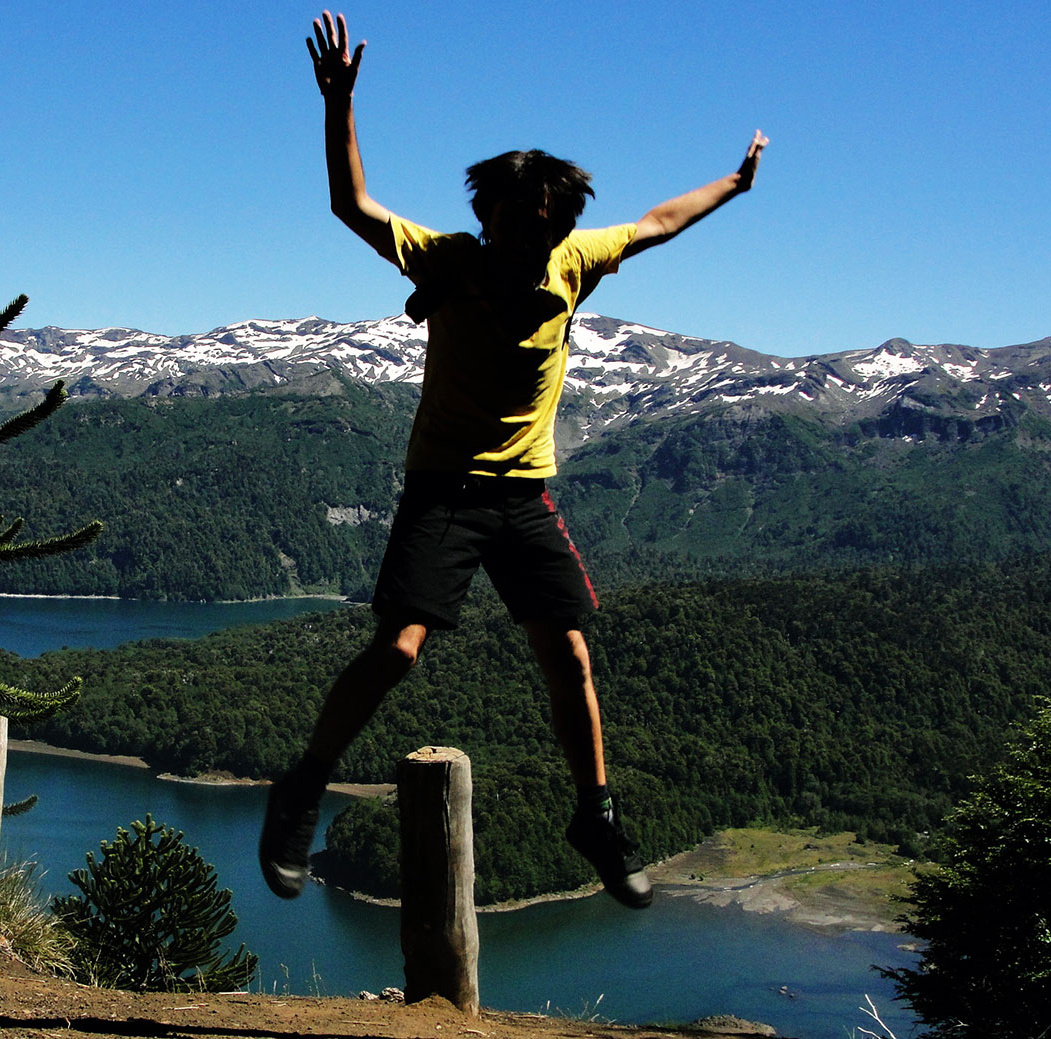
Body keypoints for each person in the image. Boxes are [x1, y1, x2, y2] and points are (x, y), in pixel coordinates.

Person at [260, 10, 768, 909]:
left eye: (545, 219)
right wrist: (339, 104)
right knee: (400, 648)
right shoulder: (449, 260)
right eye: (514, 215)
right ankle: (303, 786)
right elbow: (353, 205)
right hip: (444, 492)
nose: (530, 231)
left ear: (561, 222)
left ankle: (595, 816)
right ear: (485, 213)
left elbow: (657, 221)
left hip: (527, 494)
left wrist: (734, 181)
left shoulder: (578, 261)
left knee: (569, 655)